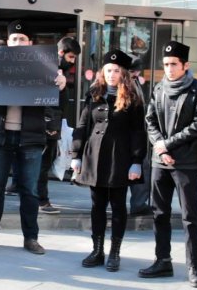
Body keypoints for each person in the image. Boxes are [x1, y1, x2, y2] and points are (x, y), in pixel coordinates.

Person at [0, 20, 67, 255]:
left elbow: (57, 104)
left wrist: (61, 86)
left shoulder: (45, 66)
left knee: (30, 191)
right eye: (14, 39)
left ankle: (31, 238)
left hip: (30, 138)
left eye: (23, 39)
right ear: (8, 43)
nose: (18, 42)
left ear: (30, 43)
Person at [138, 41, 197, 288]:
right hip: (161, 162)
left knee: (190, 217)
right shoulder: (158, 89)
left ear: (185, 65)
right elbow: (150, 121)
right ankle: (162, 260)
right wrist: (160, 146)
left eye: (173, 64)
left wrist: (167, 145)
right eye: (166, 64)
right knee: (160, 213)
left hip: (186, 163)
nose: (169, 68)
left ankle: (194, 267)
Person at [71, 49, 146, 272]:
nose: (112, 74)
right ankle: (97, 250)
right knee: (97, 205)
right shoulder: (93, 94)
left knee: (118, 205)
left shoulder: (133, 98)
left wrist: (137, 160)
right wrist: (76, 156)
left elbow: (138, 131)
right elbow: (83, 125)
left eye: (116, 70)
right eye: (108, 70)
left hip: (120, 157)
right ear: (102, 72)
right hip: (95, 156)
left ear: (123, 73)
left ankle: (115, 252)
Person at [38, 36, 80, 214]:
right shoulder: (50, 71)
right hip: (49, 125)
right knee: (43, 163)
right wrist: (51, 125)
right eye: (71, 57)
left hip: (54, 123)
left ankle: (39, 197)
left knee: (43, 163)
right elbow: (46, 101)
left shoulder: (58, 71)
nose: (72, 62)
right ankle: (42, 200)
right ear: (61, 53)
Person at [127, 55, 152, 216]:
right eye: (132, 71)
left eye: (137, 71)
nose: (135, 74)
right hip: (126, 135)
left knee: (143, 168)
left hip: (136, 134)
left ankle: (138, 204)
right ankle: (138, 204)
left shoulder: (135, 83)